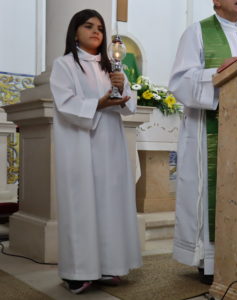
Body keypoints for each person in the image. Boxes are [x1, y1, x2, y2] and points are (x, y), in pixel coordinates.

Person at [49, 9, 142, 294]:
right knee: (82, 205)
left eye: (100, 28)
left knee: (109, 205)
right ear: (74, 31)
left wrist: (120, 89)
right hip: (80, 145)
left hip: (110, 146)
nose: (96, 32)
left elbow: (129, 105)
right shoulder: (64, 65)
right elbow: (65, 104)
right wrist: (98, 104)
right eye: (88, 26)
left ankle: (108, 265)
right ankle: (78, 271)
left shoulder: (111, 67)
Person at [168, 0, 237, 284]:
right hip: (208, 130)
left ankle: (235, 254)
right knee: (209, 194)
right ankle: (208, 260)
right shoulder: (197, 32)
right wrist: (218, 73)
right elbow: (180, 81)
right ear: (216, 1)